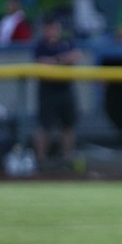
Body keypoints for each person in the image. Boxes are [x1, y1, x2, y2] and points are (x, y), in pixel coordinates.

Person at [32, 15, 82, 169]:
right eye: (49, 28)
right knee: (44, 126)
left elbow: (76, 56)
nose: (52, 31)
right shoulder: (41, 45)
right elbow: (41, 62)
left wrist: (55, 61)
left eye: (54, 27)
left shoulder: (66, 42)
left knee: (68, 125)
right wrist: (61, 61)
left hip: (65, 89)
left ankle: (68, 158)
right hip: (48, 90)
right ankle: (41, 160)